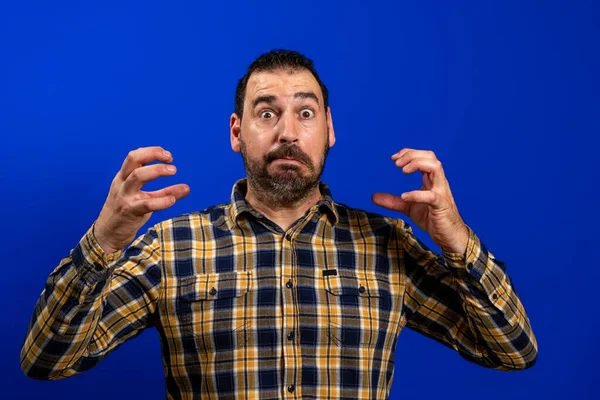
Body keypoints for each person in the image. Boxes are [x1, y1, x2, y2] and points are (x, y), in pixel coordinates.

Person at [20, 49, 537, 399]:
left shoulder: (386, 245)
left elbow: (512, 350)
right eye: (267, 114)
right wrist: (104, 241)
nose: (288, 131)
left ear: (329, 129)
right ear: (237, 132)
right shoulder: (173, 247)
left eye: (306, 114)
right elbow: (46, 359)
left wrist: (456, 240)